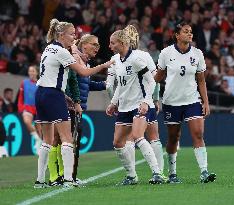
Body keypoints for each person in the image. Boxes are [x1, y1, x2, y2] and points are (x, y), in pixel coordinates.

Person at [34, 18, 114, 188]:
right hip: (52, 94)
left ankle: (40, 180)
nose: (74, 37)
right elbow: (83, 73)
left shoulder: (48, 48)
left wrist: (66, 97)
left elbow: (50, 76)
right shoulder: (62, 51)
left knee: (47, 140)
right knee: (67, 139)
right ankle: (69, 179)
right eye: (71, 34)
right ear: (61, 34)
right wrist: (106, 64)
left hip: (41, 93)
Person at [154, 22, 216, 183]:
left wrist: (205, 102)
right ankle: (172, 173)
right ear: (177, 35)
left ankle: (204, 171)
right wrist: (150, 97)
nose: (190, 34)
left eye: (191, 32)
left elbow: (201, 81)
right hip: (171, 102)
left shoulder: (197, 54)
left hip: (192, 100)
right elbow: (157, 78)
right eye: (186, 31)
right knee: (174, 137)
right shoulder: (166, 53)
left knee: (198, 134)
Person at [106, 25, 165, 179]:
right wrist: (113, 103)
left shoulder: (137, 58)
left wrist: (147, 101)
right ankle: (131, 176)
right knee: (117, 143)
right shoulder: (116, 60)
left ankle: (157, 173)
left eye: (112, 43)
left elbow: (152, 81)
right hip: (124, 106)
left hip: (139, 104)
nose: (110, 46)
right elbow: (120, 85)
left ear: (123, 42)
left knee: (138, 136)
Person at [71, 34, 106, 182]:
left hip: (80, 108)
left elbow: (87, 85)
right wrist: (75, 102)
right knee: (68, 143)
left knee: (75, 143)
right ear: (84, 45)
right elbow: (71, 83)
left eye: (98, 45)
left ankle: (72, 176)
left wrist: (105, 85)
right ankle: (64, 177)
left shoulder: (87, 64)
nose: (97, 48)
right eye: (94, 44)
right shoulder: (75, 61)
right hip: (71, 107)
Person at [18, 65, 42, 154]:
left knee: (39, 130)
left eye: (33, 71)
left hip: (38, 109)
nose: (31, 73)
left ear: (37, 72)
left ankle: (40, 149)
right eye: (29, 71)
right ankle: (37, 138)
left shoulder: (40, 83)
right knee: (27, 122)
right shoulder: (24, 83)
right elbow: (20, 97)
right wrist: (21, 108)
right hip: (27, 107)